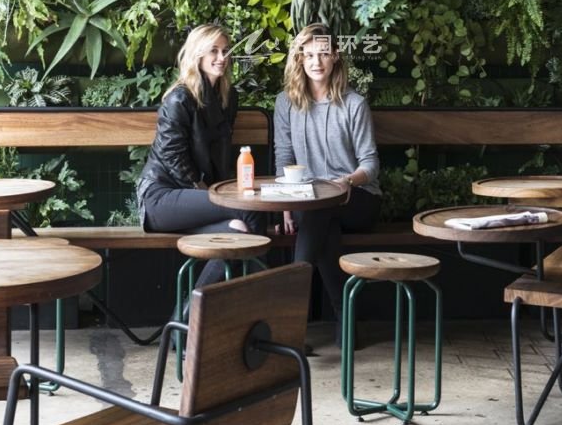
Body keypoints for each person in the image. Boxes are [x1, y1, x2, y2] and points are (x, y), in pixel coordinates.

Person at [274, 23, 381, 345]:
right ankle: (346, 318)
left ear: (335, 57)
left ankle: (287, 325)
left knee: (320, 213)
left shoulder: (354, 104)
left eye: (323, 54)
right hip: (310, 202)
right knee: (322, 224)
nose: (316, 62)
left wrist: (346, 182)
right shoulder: (286, 102)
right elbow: (284, 154)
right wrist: (286, 207)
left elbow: (371, 165)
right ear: (299, 60)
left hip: (358, 198)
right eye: (308, 55)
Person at [137, 23, 265, 287]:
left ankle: (186, 323)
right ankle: (261, 299)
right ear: (198, 55)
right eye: (214, 51)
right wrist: (207, 191)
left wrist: (217, 192)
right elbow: (173, 157)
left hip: (200, 201)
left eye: (226, 51)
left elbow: (221, 152)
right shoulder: (179, 98)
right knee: (249, 214)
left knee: (238, 232)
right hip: (162, 198)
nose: (222, 58)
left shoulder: (228, 97)